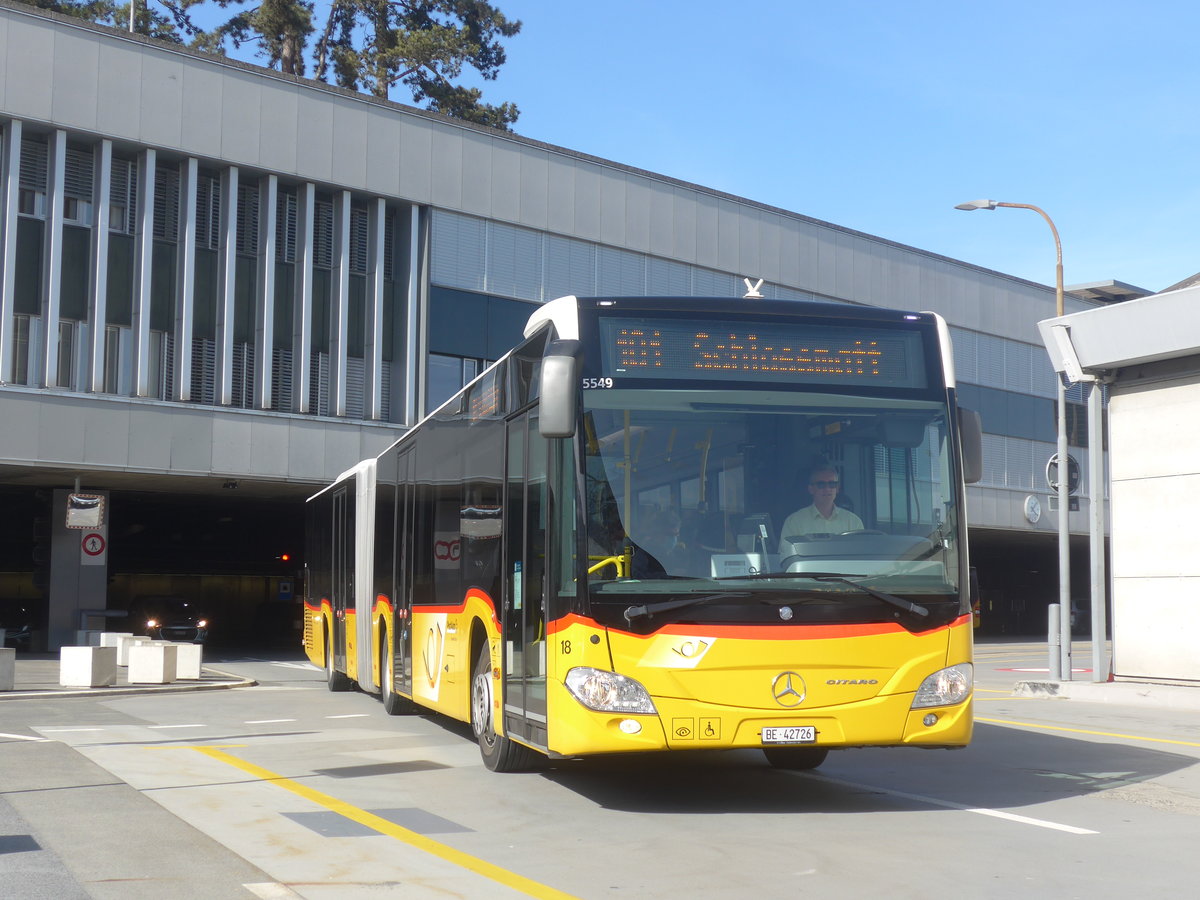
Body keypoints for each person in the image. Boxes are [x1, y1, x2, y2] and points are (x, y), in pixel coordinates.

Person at [778, 466, 864, 551]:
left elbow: (862, 555)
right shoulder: (794, 522)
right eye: (821, 484)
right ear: (811, 489)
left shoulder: (853, 522)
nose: (827, 489)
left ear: (837, 488)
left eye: (832, 484)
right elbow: (785, 558)